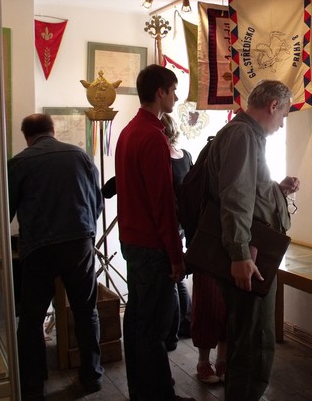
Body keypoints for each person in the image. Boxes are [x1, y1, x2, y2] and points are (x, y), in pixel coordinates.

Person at [206, 79, 300, 400]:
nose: (282, 123)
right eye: (284, 115)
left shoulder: (243, 134)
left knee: (247, 335)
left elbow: (247, 189)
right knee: (255, 340)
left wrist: (276, 189)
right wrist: (240, 254)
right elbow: (235, 197)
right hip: (250, 255)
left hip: (250, 251)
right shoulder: (244, 136)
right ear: (273, 105)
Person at [8, 114, 104, 399]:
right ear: (52, 130)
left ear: (27, 136)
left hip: (39, 248)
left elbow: (6, 210)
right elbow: (96, 202)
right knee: (86, 311)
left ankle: (33, 385)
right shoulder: (80, 156)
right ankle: (92, 376)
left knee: (31, 318)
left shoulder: (19, 162)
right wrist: (86, 232)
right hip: (79, 243)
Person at [115, 64, 194, 401]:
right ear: (159, 92)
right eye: (173, 90)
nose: (176, 96)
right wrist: (176, 257)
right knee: (154, 329)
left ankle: (141, 392)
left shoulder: (129, 131)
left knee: (138, 322)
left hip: (133, 240)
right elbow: (162, 204)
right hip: (151, 245)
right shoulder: (152, 137)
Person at [160, 113, 193, 351]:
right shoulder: (185, 155)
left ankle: (171, 334)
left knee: (170, 278)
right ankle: (186, 322)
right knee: (176, 275)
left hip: (167, 221)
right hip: (183, 221)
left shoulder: (163, 157)